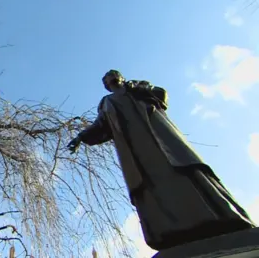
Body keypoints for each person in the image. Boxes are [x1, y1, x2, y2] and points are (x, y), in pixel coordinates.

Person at [67, 70, 255, 250]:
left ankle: (223, 217)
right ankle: (172, 232)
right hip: (137, 151)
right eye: (107, 80)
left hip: (161, 139)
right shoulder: (107, 103)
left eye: (113, 76)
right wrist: (80, 138)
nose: (111, 80)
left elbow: (161, 96)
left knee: (185, 172)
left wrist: (140, 88)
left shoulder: (138, 88)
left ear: (121, 77)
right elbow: (101, 125)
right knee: (152, 185)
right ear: (106, 86)